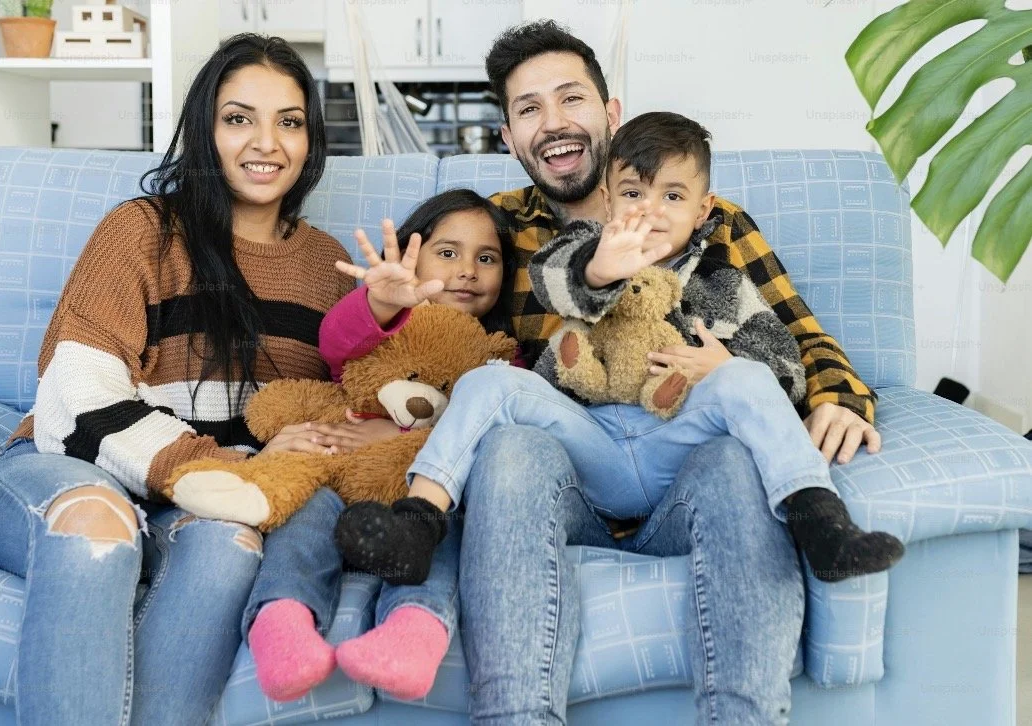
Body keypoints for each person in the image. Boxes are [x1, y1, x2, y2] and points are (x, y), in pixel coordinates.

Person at [345, 20, 882, 726]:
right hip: (563, 468)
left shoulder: (712, 223)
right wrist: (382, 318)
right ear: (507, 137)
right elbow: (406, 344)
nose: (554, 124)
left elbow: (799, 337)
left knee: (730, 459)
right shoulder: (492, 231)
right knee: (512, 447)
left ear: (611, 113)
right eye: (529, 109)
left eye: (571, 99)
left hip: (682, 460)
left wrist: (841, 398)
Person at [0, 34, 394, 726]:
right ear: (205, 128)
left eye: (289, 121)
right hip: (70, 468)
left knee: (230, 547)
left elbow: (321, 419)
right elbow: (77, 391)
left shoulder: (327, 266)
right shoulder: (140, 231)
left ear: (311, 139)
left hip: (209, 495)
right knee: (96, 528)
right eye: (239, 119)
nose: (267, 142)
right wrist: (207, 467)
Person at [337, 110, 905, 589]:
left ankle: (820, 521)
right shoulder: (581, 247)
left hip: (678, 446)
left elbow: (788, 361)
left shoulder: (723, 279)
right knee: (486, 382)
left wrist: (726, 368)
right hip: (590, 447)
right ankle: (418, 523)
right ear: (607, 201)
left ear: (704, 210)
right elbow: (554, 279)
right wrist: (601, 269)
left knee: (748, 382)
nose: (650, 211)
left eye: (672, 196)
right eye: (633, 194)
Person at [241, 188, 520, 703]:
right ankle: (283, 624)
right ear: (414, 257)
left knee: (447, 530)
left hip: (422, 501)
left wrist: (406, 436)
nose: (467, 271)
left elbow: (499, 424)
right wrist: (382, 300)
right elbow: (336, 341)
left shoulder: (500, 355)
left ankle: (413, 633)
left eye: (487, 259)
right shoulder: (385, 322)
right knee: (305, 513)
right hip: (342, 483)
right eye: (448, 252)